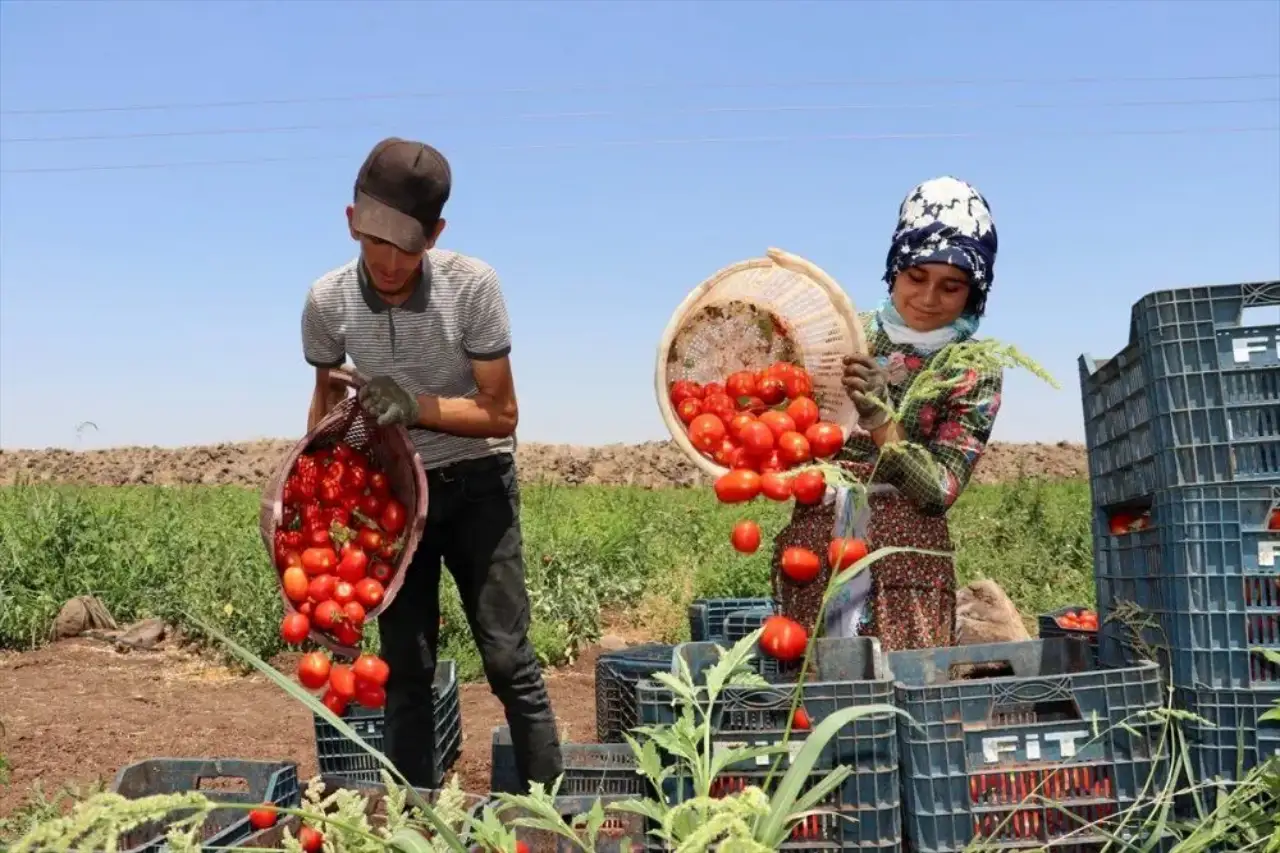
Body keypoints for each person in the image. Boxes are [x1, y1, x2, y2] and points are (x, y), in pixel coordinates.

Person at [301, 137, 563, 790]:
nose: (388, 263)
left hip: (478, 487)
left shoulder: (472, 287)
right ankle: (417, 823)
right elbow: (326, 407)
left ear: (436, 233)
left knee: (508, 659)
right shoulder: (328, 302)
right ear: (351, 221)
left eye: (406, 246)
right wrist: (320, 504)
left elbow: (502, 413)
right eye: (374, 242)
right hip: (396, 498)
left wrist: (416, 405)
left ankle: (557, 817)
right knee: (406, 670)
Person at [771, 175, 1004, 652]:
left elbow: (939, 489)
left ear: (973, 293)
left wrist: (882, 419)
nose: (928, 298)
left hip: (905, 573)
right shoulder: (845, 335)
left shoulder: (972, 369)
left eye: (952, 286)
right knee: (814, 693)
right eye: (916, 277)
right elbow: (790, 423)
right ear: (894, 268)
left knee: (901, 701)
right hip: (814, 556)